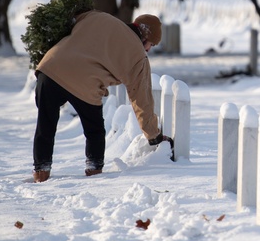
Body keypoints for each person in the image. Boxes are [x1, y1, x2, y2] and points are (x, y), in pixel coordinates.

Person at [32, 10, 173, 182]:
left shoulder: (98, 16)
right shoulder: (138, 56)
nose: (149, 49)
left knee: (45, 124)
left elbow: (69, 21)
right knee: (95, 130)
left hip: (49, 69)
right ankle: (94, 172)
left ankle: (41, 172)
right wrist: (153, 136)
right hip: (85, 84)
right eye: (151, 44)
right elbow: (141, 99)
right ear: (145, 37)